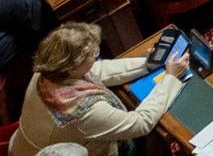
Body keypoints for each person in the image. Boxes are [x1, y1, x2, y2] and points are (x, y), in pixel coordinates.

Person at [13, 20, 188, 156]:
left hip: (25, 145)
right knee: (150, 141)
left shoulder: (47, 71)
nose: (97, 57)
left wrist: (150, 64)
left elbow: (99, 71)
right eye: (94, 55)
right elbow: (141, 123)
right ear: (73, 67)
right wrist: (171, 78)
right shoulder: (82, 111)